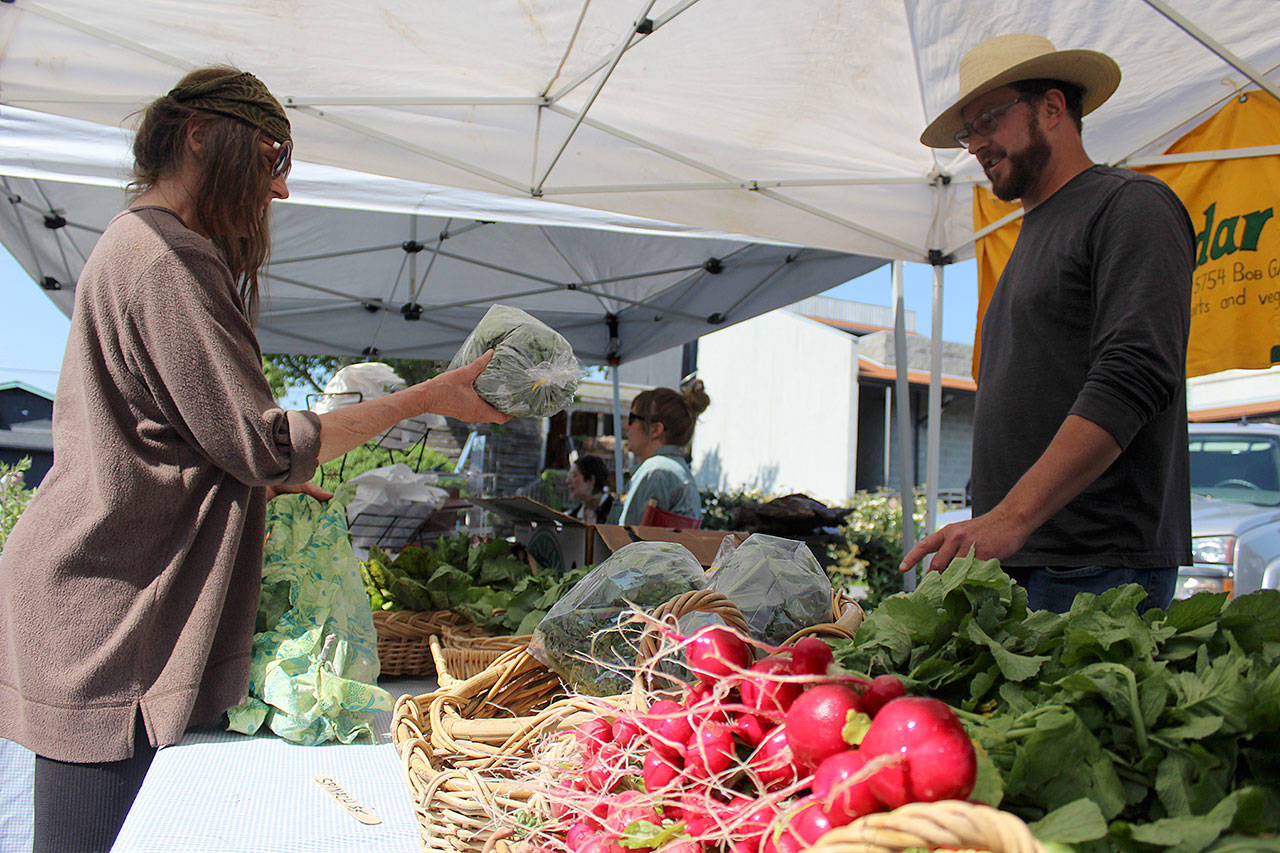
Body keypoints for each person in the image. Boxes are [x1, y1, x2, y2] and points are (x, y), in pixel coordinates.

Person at [0, 67, 510, 853]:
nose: (278, 190)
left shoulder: (135, 242)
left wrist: (247, 479)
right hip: (108, 610)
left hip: (95, 588)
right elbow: (268, 444)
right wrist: (426, 396)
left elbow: (169, 437)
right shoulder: (166, 256)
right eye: (272, 159)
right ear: (201, 134)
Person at [901, 34, 1193, 613]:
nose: (977, 144)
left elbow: (1135, 373)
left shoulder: (1129, 205)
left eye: (988, 118)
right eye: (967, 132)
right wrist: (996, 519)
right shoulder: (1032, 234)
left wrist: (1013, 516)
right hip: (1025, 559)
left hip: (1096, 568)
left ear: (1054, 108)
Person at [619, 381, 710, 525]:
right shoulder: (678, 470)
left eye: (632, 419)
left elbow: (625, 541)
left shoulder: (655, 472)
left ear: (656, 429)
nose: (626, 426)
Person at [566, 454, 614, 524]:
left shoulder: (616, 513)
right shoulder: (572, 517)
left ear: (591, 480)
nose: (568, 481)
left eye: (574, 476)